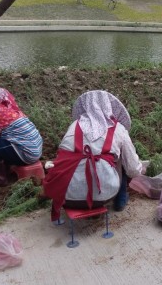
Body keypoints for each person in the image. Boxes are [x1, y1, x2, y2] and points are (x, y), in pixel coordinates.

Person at [42, 90, 147, 223]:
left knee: (80, 157)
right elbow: (133, 169)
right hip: (104, 196)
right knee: (120, 159)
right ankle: (119, 201)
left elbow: (61, 158)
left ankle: (81, 196)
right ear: (109, 108)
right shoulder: (118, 129)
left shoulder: (74, 126)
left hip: (67, 196)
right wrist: (141, 168)